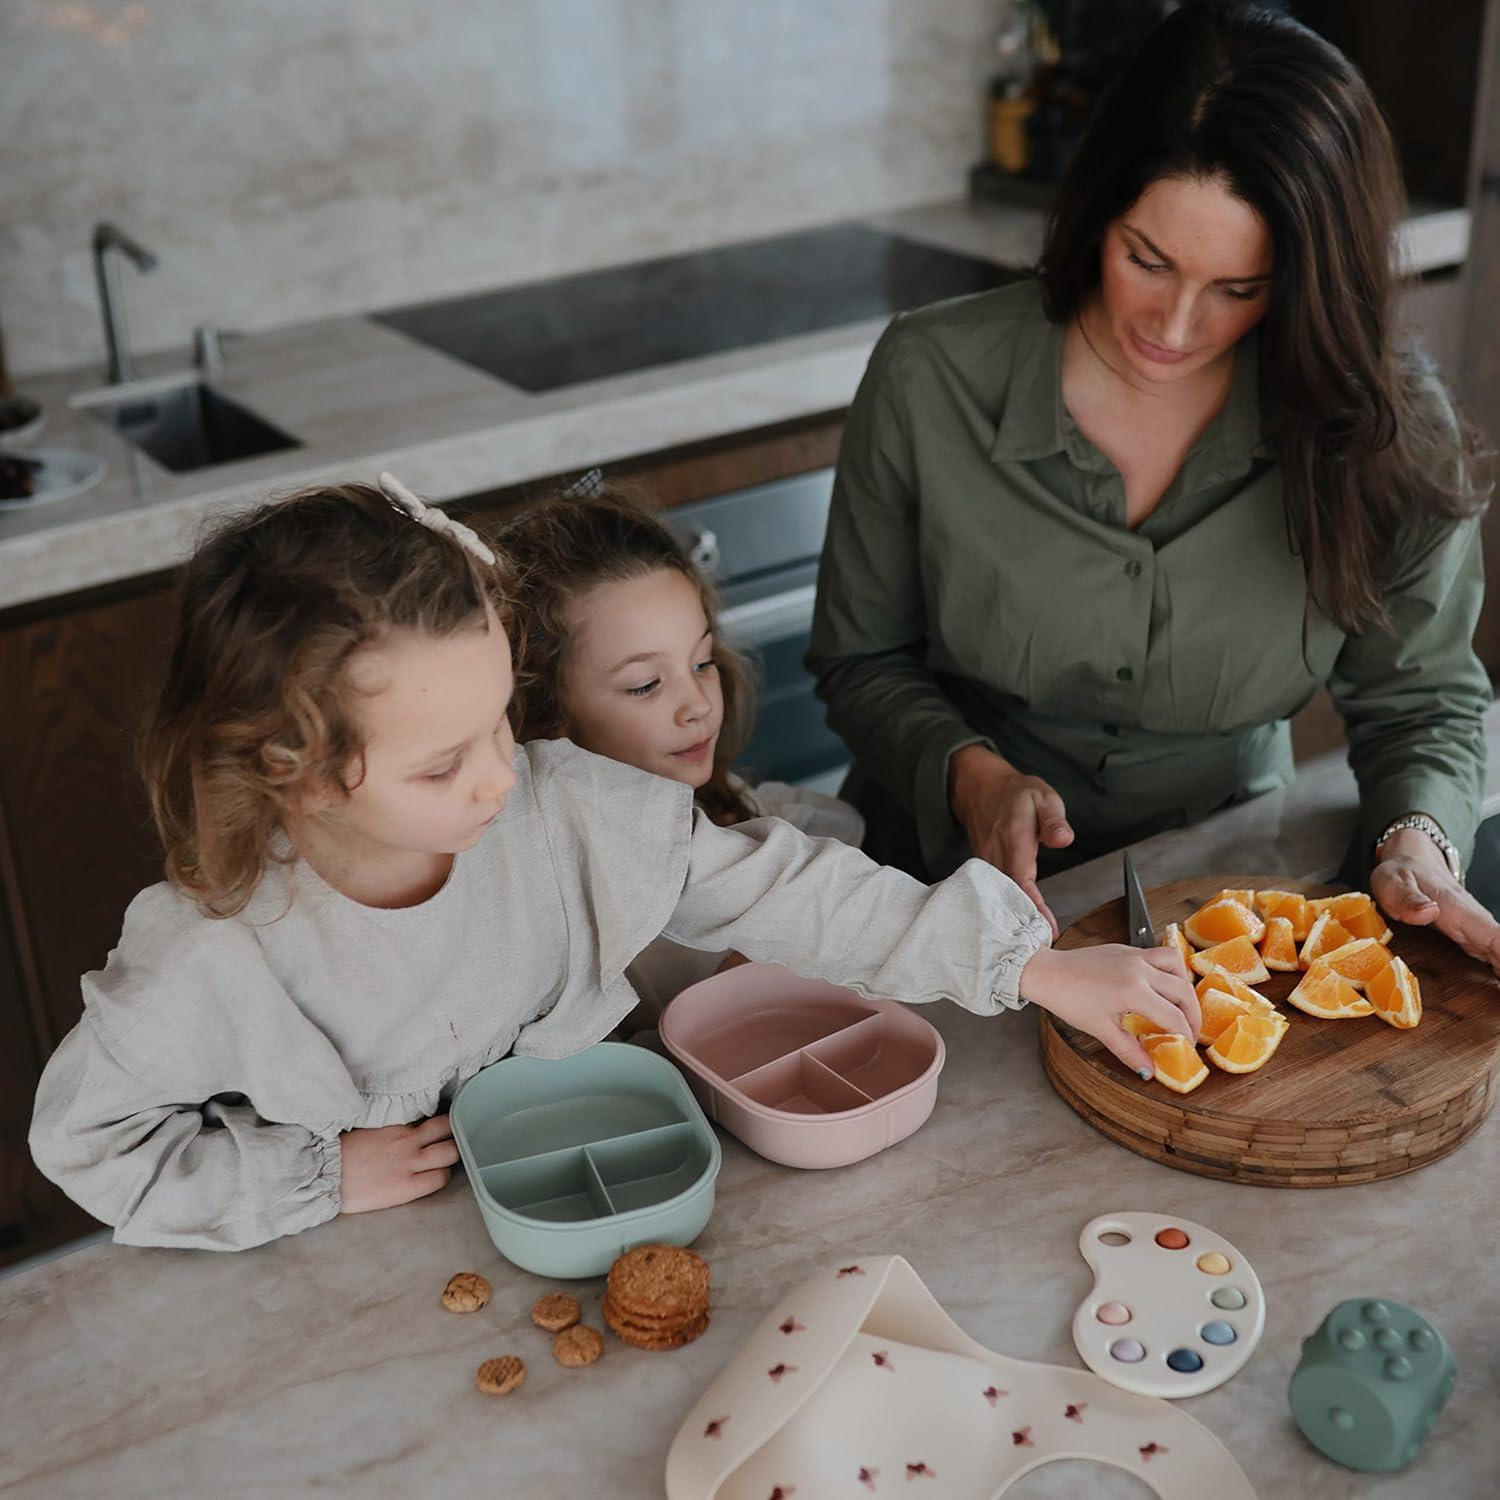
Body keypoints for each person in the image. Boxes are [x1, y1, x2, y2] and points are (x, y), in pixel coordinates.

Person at [29, 474, 1199, 1252]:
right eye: (444, 766)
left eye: (502, 725)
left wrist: (1034, 970)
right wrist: (312, 1182)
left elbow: (793, 888)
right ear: (294, 768)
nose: (501, 778)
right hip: (369, 1263)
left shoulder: (564, 807)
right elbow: (87, 1142)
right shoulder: (210, 954)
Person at [808, 0, 1500, 970]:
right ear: (1097, 209)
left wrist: (1415, 843)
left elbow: (1421, 703)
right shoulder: (931, 376)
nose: (1175, 327)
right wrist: (966, 773)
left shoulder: (1385, 430)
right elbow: (861, 658)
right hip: (933, 893)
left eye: (1239, 288)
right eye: (1147, 259)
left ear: (1302, 280)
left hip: (1226, 874)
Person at [499, 488, 863, 1016]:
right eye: (645, 685)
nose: (697, 705)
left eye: (703, 661)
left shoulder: (732, 806)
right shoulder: (547, 921)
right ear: (544, 715)